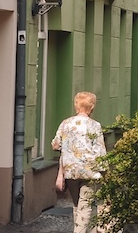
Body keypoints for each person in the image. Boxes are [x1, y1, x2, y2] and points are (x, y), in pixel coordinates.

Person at [52, 91, 107, 233]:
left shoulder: (66, 124)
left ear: (76, 106)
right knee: (85, 206)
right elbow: (100, 151)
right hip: (90, 172)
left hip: (71, 171)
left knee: (78, 204)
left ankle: (82, 229)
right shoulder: (95, 126)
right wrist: (105, 172)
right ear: (92, 107)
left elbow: (56, 145)